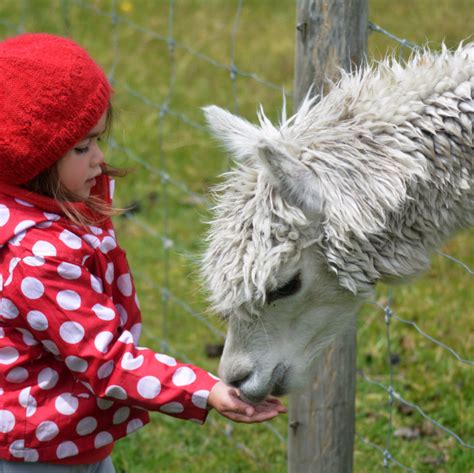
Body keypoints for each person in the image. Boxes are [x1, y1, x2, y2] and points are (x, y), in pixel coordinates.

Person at [0, 33, 286, 472]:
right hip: (40, 454)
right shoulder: (39, 260)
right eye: (82, 147)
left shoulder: (35, 207)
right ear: (32, 160)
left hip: (65, 441)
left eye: (98, 140)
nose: (99, 158)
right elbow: (106, 359)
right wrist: (203, 390)